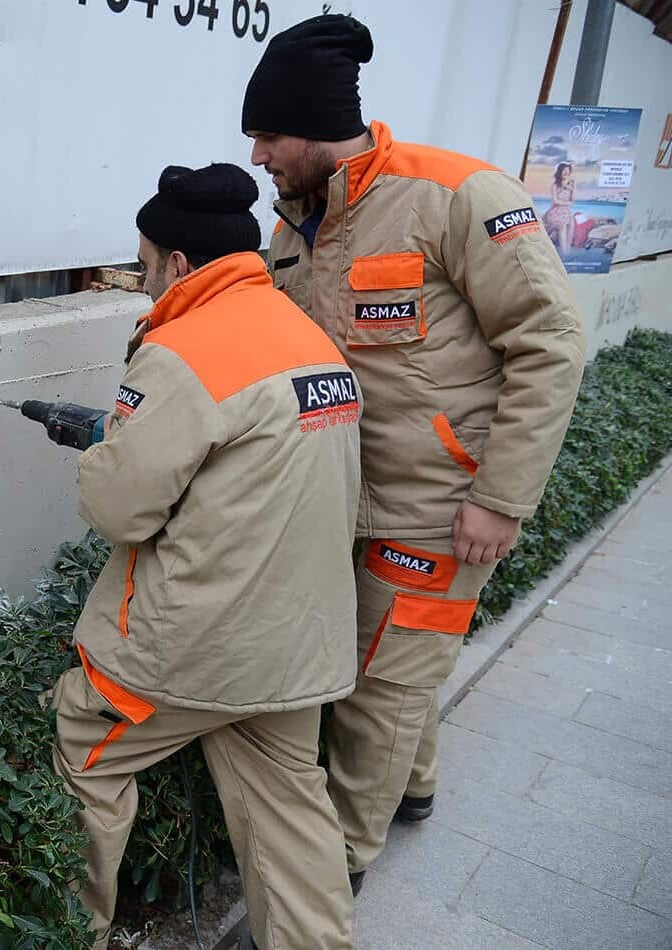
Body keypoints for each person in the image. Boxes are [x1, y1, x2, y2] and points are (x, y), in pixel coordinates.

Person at [242, 14, 586, 894]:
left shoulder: (455, 195)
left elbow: (547, 342)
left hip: (440, 505)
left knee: (382, 686)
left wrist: (500, 499)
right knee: (391, 662)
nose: (257, 157)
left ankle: (341, 861)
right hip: (339, 495)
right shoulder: (294, 224)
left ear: (316, 127)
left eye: (268, 136)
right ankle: (416, 784)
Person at [50, 161, 360, 950]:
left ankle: (69, 932)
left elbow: (119, 509)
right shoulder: (307, 335)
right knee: (289, 805)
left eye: (146, 263)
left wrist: (103, 451)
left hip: (195, 648)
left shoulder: (183, 349)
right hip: (296, 646)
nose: (143, 280)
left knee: (87, 760)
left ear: (180, 264)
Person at [544, 161, 576, 253]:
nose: (566, 172)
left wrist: (572, 189)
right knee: (563, 226)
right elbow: (555, 201)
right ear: (559, 172)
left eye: (568, 170)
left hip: (566, 211)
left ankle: (568, 250)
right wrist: (567, 203)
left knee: (571, 225)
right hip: (555, 211)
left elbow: (572, 200)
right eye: (564, 170)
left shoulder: (571, 183)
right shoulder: (555, 185)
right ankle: (563, 251)